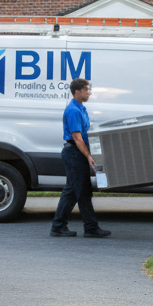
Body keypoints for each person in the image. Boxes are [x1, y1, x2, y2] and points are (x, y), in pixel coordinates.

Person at [50, 78, 111, 239]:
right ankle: (89, 227)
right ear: (78, 91)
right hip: (74, 153)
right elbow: (77, 138)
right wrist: (89, 156)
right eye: (86, 90)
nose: (89, 92)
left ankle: (60, 226)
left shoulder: (81, 108)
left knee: (73, 191)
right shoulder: (74, 111)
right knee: (81, 191)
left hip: (77, 153)